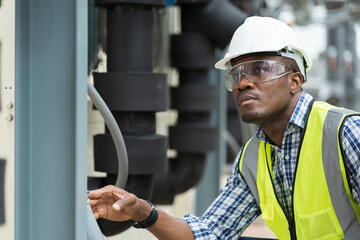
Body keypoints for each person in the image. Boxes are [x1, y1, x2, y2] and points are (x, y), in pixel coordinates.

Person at [88, 16, 360, 239]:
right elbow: (210, 234)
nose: (243, 83)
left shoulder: (346, 132)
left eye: (260, 70)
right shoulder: (252, 158)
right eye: (236, 75)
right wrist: (142, 212)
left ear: (295, 81)